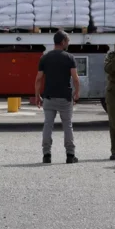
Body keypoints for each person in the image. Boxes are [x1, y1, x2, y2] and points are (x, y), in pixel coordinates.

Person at [35, 30, 80, 164]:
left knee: (48, 125)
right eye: (68, 41)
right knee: (67, 125)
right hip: (65, 97)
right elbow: (75, 78)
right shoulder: (69, 57)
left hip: (49, 97)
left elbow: (38, 79)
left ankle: (46, 155)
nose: (68, 43)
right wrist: (77, 92)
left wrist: (37, 95)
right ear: (63, 42)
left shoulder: (45, 58)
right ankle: (70, 155)